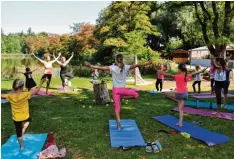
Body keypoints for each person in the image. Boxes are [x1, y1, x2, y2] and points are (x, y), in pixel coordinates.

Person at [84, 54, 152, 130]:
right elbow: (138, 65)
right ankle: (122, 97)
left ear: (116, 60)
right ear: (122, 60)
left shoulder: (112, 68)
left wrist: (89, 65)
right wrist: (148, 63)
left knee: (117, 108)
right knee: (136, 95)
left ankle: (119, 124)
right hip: (122, 90)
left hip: (115, 91)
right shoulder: (126, 67)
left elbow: (99, 67)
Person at [1, 78, 45, 150]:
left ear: (13, 87)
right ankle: (24, 129)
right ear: (22, 87)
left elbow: (1, 95)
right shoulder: (26, 94)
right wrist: (41, 83)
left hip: (16, 118)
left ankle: (22, 146)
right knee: (28, 121)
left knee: (19, 134)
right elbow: (36, 91)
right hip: (25, 116)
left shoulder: (10, 96)